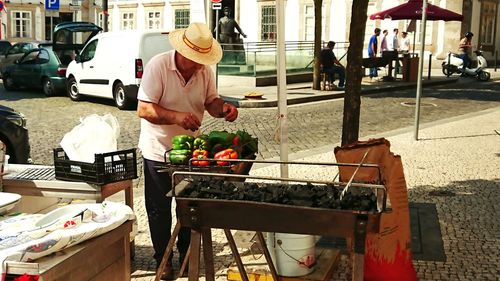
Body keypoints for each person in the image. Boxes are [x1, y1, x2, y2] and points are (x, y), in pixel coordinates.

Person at [137, 22, 238, 280]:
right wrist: (176, 117)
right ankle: (163, 260)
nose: (198, 65)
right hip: (158, 150)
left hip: (192, 153)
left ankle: (185, 258)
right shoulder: (158, 66)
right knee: (159, 209)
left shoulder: (204, 72)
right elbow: (144, 109)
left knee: (188, 207)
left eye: (201, 60)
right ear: (182, 52)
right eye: (195, 59)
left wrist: (223, 109)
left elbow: (210, 102)